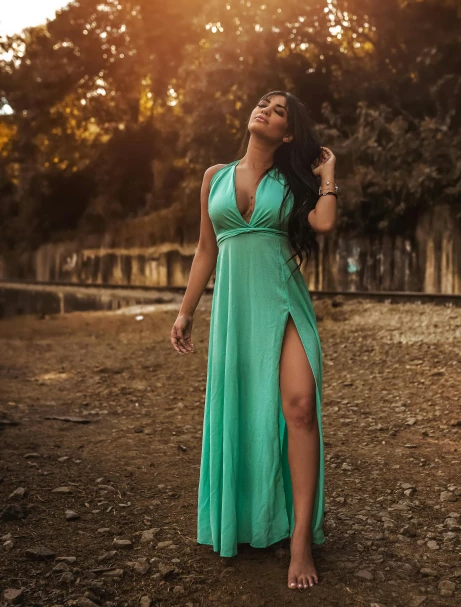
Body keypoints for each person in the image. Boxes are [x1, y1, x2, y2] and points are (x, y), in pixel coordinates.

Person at [170, 90, 338, 590]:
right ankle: (249, 519)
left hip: (283, 305)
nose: (265, 108)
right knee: (241, 411)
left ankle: (301, 539)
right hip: (233, 313)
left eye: (279, 109)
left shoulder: (293, 183)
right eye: (263, 102)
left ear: (287, 133)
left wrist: (328, 176)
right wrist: (185, 312)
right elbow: (205, 251)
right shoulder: (213, 178)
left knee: (300, 407)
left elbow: (324, 223)